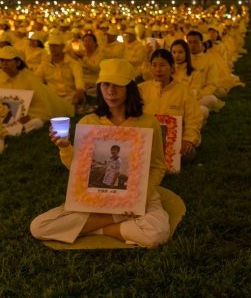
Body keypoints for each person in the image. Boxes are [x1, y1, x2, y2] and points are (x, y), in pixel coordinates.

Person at [30, 58, 171, 248]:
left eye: (117, 86)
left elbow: (157, 166)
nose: (110, 92)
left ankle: (93, 228)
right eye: (106, 85)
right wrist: (65, 146)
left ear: (129, 88)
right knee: (39, 227)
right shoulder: (89, 123)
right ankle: (116, 219)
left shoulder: (147, 123)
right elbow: (78, 169)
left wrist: (140, 198)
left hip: (138, 195)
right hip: (97, 199)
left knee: (156, 233)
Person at [139, 49, 203, 165]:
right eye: (154, 65)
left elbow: (193, 118)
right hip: (147, 138)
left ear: (172, 67)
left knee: (188, 155)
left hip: (173, 140)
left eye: (162, 65)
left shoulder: (183, 90)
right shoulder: (142, 89)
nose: (158, 69)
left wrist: (188, 139)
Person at [0, 46, 74, 134]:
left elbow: (43, 105)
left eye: (8, 61)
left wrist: (29, 116)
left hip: (37, 110)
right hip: (11, 114)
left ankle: (21, 128)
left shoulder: (30, 79)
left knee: (37, 122)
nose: (4, 63)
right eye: (2, 61)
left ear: (18, 62)